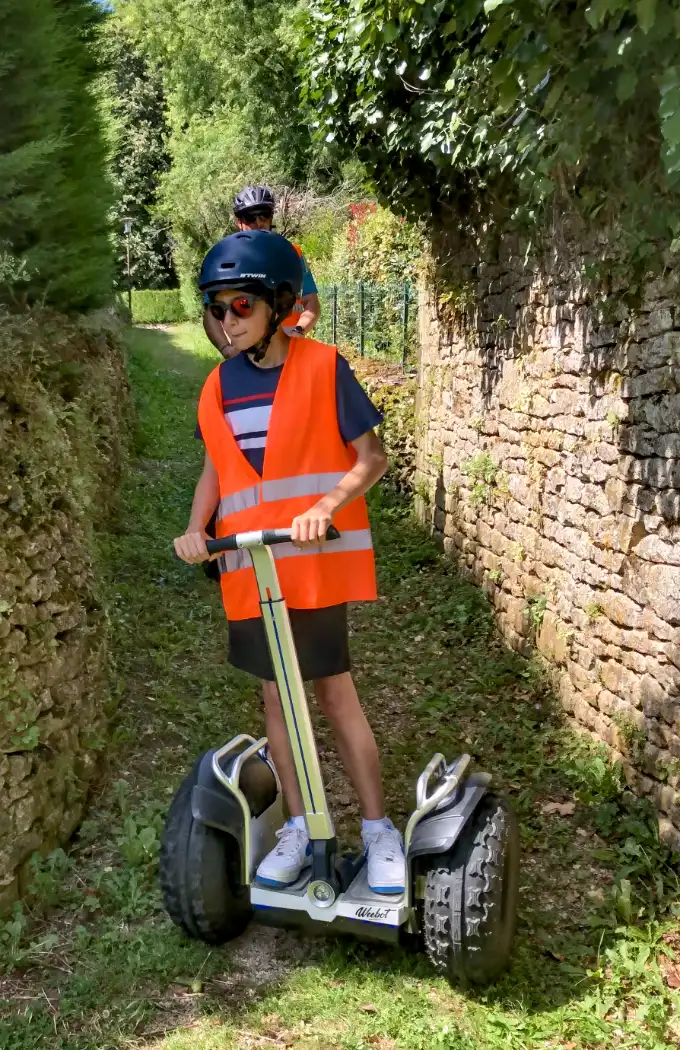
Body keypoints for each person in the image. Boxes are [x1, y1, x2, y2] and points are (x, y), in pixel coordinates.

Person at [175, 229, 405, 895]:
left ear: (278, 304)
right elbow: (216, 471)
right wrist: (195, 529)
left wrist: (327, 505)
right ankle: (301, 826)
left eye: (240, 307)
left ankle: (379, 828)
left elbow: (373, 457)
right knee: (276, 700)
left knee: (332, 693)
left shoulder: (324, 367)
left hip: (311, 565)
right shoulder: (217, 384)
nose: (226, 322)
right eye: (217, 309)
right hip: (251, 571)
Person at [202, 185, 321, 359]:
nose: (259, 223)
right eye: (250, 217)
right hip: (245, 352)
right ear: (239, 222)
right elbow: (210, 311)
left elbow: (311, 302)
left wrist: (299, 330)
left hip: (289, 351)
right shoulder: (226, 260)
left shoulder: (291, 254)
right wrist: (226, 348)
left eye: (264, 214)